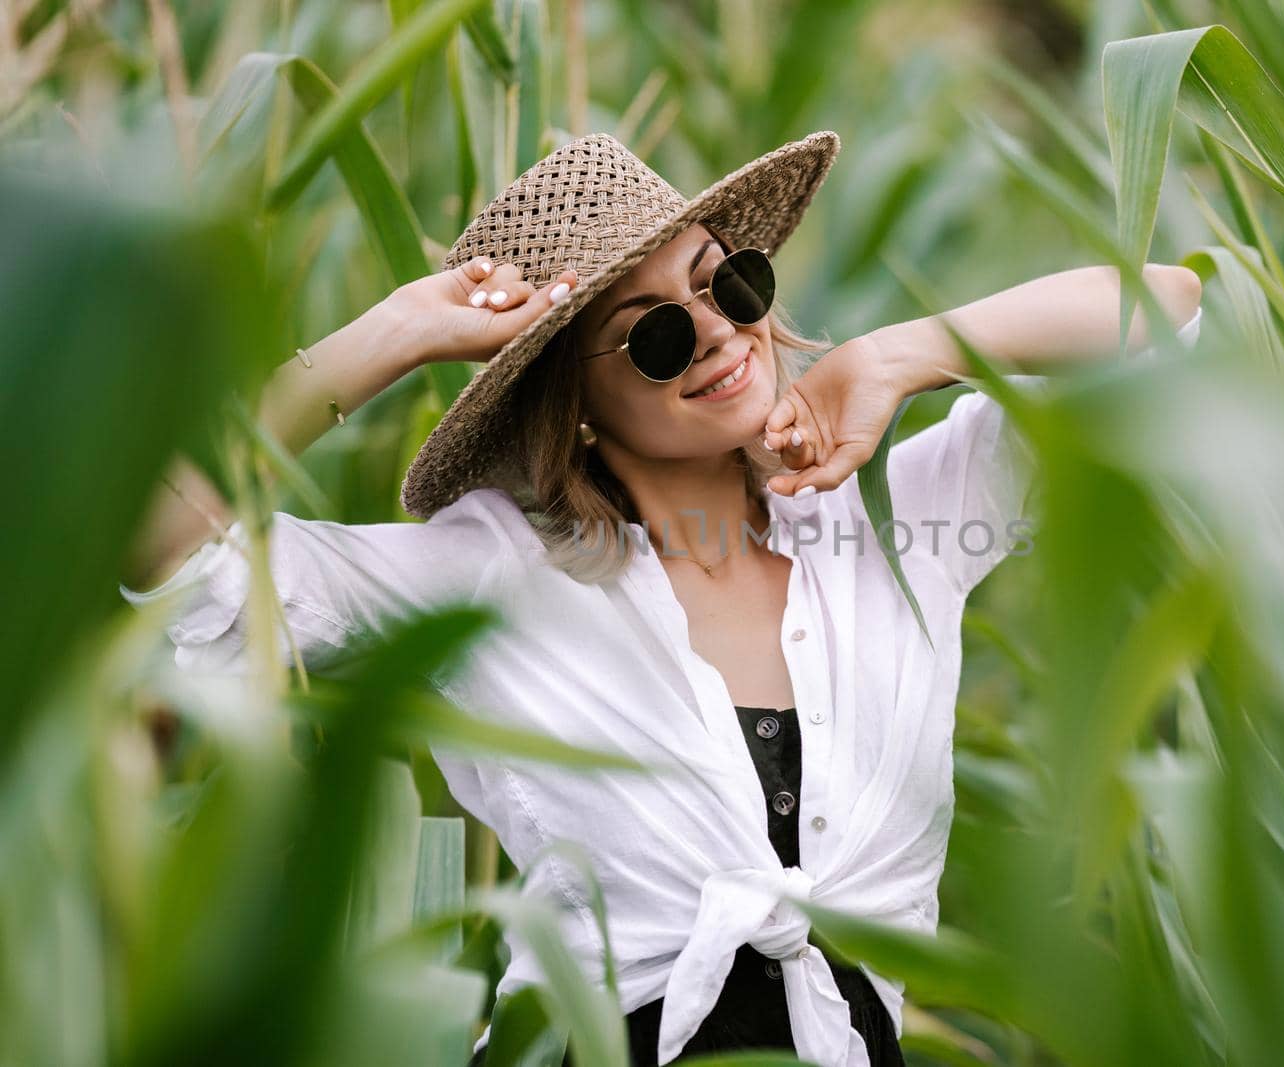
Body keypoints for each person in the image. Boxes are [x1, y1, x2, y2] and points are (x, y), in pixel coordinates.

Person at [118, 130, 1202, 1067]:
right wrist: (397, 330)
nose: (720, 331)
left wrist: (900, 353)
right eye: (655, 333)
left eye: (726, 283)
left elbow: (1168, 316)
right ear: (575, 399)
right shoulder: (489, 572)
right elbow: (163, 534)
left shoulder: (890, 518)